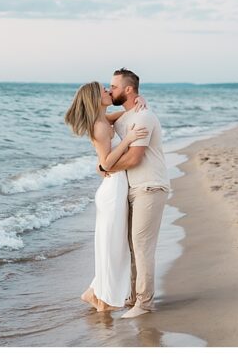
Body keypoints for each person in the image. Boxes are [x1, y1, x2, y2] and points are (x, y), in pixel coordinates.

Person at [64, 81, 149, 312]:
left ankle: (95, 293)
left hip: (115, 187)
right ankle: (100, 299)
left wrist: (139, 103)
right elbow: (106, 163)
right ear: (95, 97)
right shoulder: (100, 126)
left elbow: (119, 117)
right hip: (112, 191)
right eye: (104, 90)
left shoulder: (103, 119)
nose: (109, 92)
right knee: (112, 247)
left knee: (113, 246)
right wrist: (129, 140)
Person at [100, 68, 171, 318]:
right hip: (134, 189)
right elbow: (97, 120)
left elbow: (134, 157)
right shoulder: (125, 116)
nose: (110, 90)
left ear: (129, 90)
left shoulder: (143, 117)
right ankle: (132, 297)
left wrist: (105, 167)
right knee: (133, 246)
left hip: (150, 187)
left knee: (142, 248)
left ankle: (144, 302)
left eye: (114, 87)